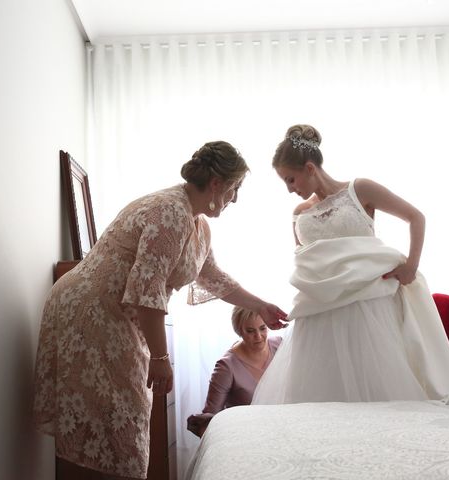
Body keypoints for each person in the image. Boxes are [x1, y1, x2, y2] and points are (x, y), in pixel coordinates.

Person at [32, 141, 288, 480]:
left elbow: (214, 278)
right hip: (90, 312)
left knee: (127, 420)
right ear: (216, 184)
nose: (235, 199)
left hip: (120, 314)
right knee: (116, 418)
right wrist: (159, 358)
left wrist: (260, 305)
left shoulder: (197, 224)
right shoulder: (169, 212)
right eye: (234, 189)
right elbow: (147, 291)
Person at [252, 124, 449, 405]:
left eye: (291, 179)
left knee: (377, 382)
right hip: (319, 312)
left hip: (369, 303)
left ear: (310, 168)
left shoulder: (359, 189)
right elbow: (306, 259)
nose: (290, 189)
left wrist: (411, 266)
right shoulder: (300, 213)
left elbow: (416, 217)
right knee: (319, 391)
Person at [187, 306, 282, 437]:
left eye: (262, 328)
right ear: (239, 332)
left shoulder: (280, 346)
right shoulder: (226, 366)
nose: (258, 336)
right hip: (245, 434)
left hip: (281, 427)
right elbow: (211, 416)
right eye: (250, 331)